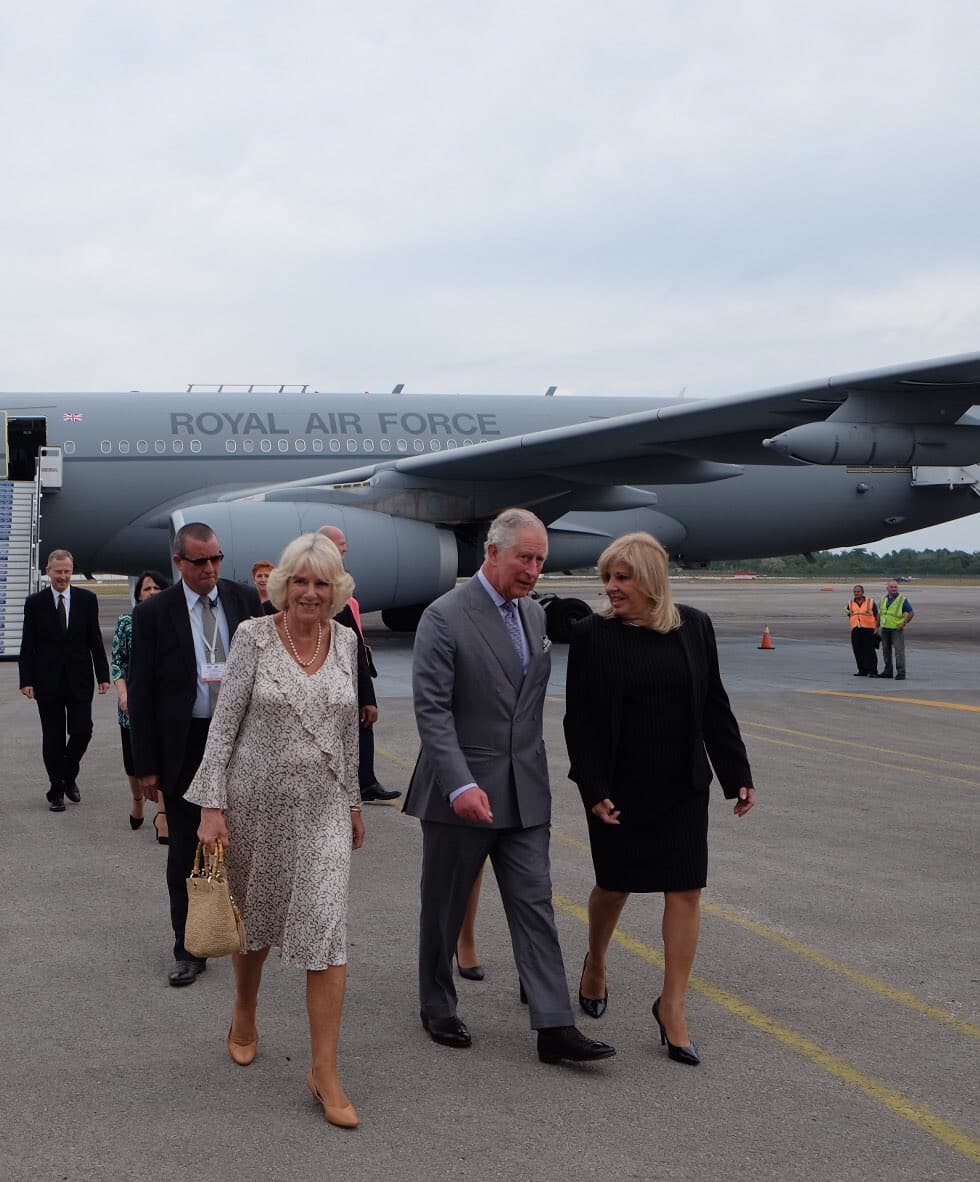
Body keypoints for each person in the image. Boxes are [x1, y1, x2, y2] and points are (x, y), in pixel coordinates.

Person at [404, 507, 615, 1066]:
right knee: (444, 908)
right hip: (461, 794)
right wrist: (459, 785)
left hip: (525, 791)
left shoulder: (535, 616)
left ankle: (554, 1024)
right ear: (492, 552)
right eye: (525, 558)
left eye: (540, 560)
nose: (533, 570)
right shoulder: (445, 617)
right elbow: (432, 711)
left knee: (535, 903)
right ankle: (436, 1003)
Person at [187, 533, 364, 1129]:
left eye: (322, 583)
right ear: (284, 585)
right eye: (301, 581)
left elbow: (348, 733)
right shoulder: (253, 636)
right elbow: (224, 725)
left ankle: (325, 1071)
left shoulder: (346, 640)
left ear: (335, 589)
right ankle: (245, 1006)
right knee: (256, 920)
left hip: (323, 810)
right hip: (255, 804)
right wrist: (211, 806)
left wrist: (354, 803)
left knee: (326, 928)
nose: (310, 593)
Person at [564, 532, 755, 1067]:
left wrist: (736, 772)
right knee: (614, 886)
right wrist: (593, 788)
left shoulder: (694, 627)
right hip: (619, 787)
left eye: (622, 577)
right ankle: (596, 960)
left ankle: (672, 1005)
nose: (611, 586)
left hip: (681, 784)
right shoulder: (592, 634)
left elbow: (714, 704)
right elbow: (580, 721)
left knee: (686, 889)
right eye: (608, 577)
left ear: (651, 580)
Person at [128, 523, 263, 987]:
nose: (210, 569)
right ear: (179, 563)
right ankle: (189, 946)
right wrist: (145, 764)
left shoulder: (245, 601)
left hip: (243, 741)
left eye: (216, 559)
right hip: (186, 743)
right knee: (187, 845)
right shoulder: (155, 613)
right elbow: (141, 692)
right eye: (200, 561)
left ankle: (247, 932)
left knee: (244, 840)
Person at [18, 549, 110, 812]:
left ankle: (69, 773)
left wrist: (103, 675)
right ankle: (56, 789)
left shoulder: (87, 600)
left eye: (67, 571)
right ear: (48, 571)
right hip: (47, 680)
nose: (62, 576)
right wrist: (26, 679)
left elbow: (95, 639)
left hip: (79, 679)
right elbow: (28, 644)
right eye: (58, 572)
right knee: (53, 736)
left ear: (72, 571)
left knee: (82, 730)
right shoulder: (35, 603)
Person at [317, 525, 400, 803]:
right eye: (341, 543)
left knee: (362, 729)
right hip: (326, 689)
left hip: (348, 682)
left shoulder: (341, 592)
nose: (346, 548)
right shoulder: (322, 596)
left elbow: (356, 649)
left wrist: (368, 697)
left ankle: (365, 782)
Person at [110, 569, 171, 836]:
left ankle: (164, 814)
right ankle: (137, 801)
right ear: (138, 595)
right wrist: (124, 695)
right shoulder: (127, 623)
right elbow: (118, 664)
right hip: (133, 702)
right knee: (134, 761)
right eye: (147, 588)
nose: (152, 593)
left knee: (165, 757)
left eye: (157, 588)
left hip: (165, 702)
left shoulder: (173, 621)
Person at [878, 579, 914, 680]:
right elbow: (880, 613)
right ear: (887, 588)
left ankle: (901, 673)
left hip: (896, 630)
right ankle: (888, 671)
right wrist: (876, 626)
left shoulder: (902, 599)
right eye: (892, 587)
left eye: (895, 587)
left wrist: (903, 623)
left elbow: (911, 613)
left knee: (899, 652)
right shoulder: (883, 599)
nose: (894, 589)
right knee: (886, 651)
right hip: (885, 629)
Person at [845, 584, 879, 677]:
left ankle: (873, 671)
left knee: (870, 651)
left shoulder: (870, 602)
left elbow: (877, 615)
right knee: (857, 650)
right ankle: (862, 670)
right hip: (856, 629)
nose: (856, 593)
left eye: (858, 591)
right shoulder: (850, 603)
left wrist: (877, 627)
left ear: (862, 592)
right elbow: (849, 614)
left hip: (868, 629)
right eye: (855, 592)